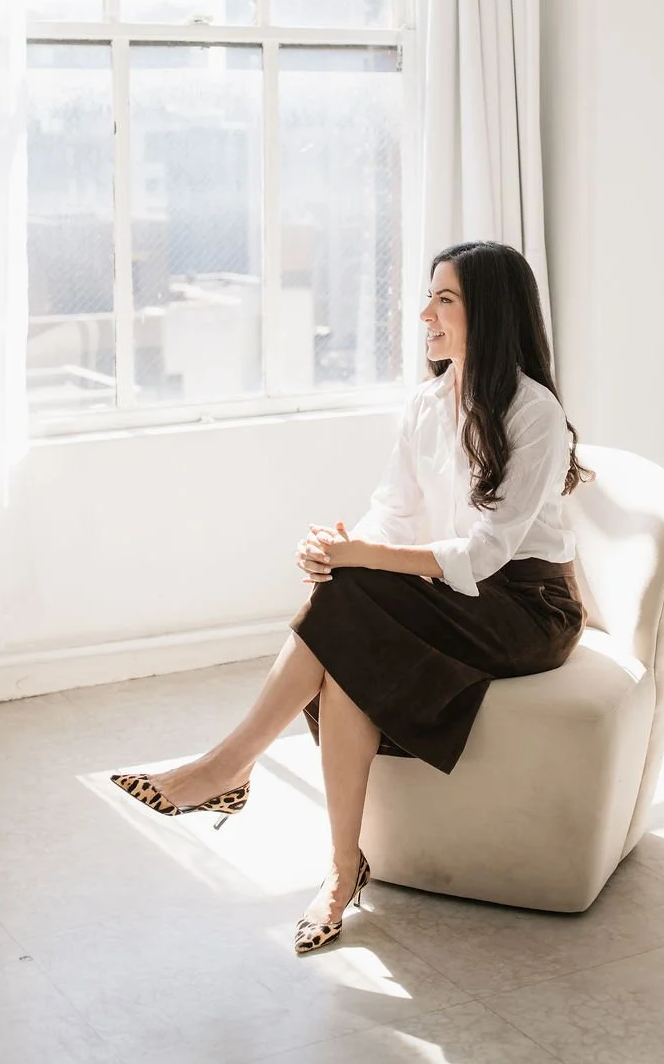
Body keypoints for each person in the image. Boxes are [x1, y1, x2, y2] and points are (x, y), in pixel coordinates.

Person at [110, 240, 591, 955]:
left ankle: (229, 770)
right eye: (429, 296)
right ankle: (336, 866)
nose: (424, 313)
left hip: (528, 608)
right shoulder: (428, 404)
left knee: (353, 600)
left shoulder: (534, 412)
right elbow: (391, 516)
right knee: (346, 627)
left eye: (445, 300)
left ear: (488, 314)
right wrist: (338, 549)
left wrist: (359, 559)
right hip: (461, 594)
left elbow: (487, 553)